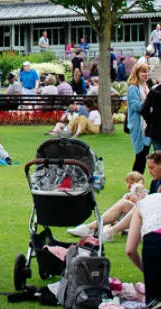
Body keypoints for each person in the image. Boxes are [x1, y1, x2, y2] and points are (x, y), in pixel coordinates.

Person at [68, 171, 147, 240]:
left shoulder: (144, 193)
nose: (129, 185)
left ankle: (90, 228)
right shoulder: (126, 195)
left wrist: (137, 195)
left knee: (123, 204)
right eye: (128, 182)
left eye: (132, 183)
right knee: (111, 218)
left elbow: (146, 205)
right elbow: (117, 216)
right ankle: (94, 229)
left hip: (140, 219)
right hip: (123, 221)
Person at [126, 177, 161, 305]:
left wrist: (146, 268)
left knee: (154, 301)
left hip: (154, 243)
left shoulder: (142, 205)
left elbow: (130, 250)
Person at [128, 63, 153, 173]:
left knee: (143, 156)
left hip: (147, 125)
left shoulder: (146, 87)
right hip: (139, 126)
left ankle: (137, 181)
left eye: (147, 71)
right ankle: (135, 181)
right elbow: (136, 106)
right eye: (143, 72)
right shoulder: (133, 88)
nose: (146, 74)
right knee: (140, 156)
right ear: (137, 73)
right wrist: (151, 106)